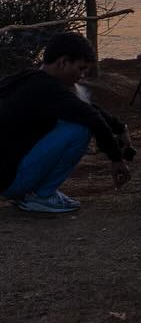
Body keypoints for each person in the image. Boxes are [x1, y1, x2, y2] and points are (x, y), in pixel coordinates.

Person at [0, 33, 132, 214]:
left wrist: (119, 127)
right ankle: (42, 196)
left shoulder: (27, 78)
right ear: (63, 62)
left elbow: (84, 107)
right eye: (80, 69)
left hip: (6, 176)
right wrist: (117, 159)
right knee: (81, 128)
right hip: (11, 181)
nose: (82, 76)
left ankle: (29, 193)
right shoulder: (50, 90)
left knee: (71, 117)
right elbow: (91, 118)